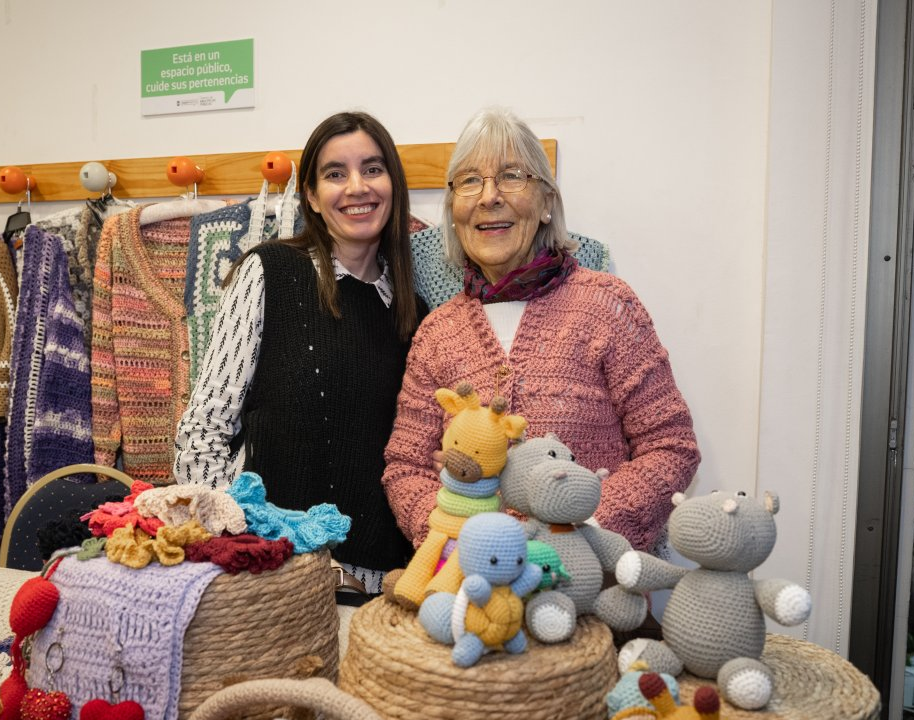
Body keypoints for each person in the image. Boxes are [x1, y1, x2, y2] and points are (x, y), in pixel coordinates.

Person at [382, 107, 700, 554]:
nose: (489, 196)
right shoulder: (437, 333)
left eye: (512, 176)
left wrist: (580, 531)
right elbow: (405, 467)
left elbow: (670, 447)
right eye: (469, 181)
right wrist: (456, 542)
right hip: (477, 583)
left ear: (547, 202)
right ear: (454, 211)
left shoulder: (608, 306)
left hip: (593, 582)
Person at [174, 111, 425, 598]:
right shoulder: (270, 273)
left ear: (394, 184)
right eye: (335, 173)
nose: (357, 187)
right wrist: (242, 544)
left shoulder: (414, 315)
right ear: (310, 195)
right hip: (270, 574)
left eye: (373, 169)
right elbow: (203, 431)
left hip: (378, 584)